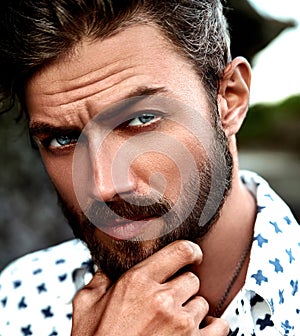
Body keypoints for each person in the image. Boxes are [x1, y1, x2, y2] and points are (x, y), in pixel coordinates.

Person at [0, 0, 299, 335]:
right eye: (63, 139)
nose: (102, 186)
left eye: (142, 119)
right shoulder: (17, 299)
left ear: (230, 99)